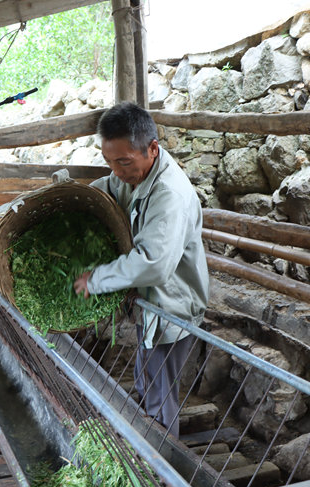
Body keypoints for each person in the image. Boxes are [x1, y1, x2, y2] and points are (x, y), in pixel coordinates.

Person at [73, 101, 209, 438]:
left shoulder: (169, 194)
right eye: (109, 162)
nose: (116, 171)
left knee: (159, 393)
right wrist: (72, 200)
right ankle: (149, 447)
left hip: (171, 305)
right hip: (151, 304)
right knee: (148, 379)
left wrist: (97, 279)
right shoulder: (132, 175)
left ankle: (161, 471)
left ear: (152, 148)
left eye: (123, 162)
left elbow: (153, 263)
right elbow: (106, 189)